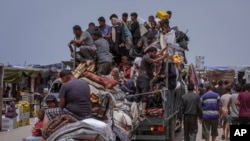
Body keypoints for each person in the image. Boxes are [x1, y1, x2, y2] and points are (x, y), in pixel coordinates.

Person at [42, 70, 92, 138]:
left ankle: (44, 136)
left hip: (73, 113)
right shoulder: (85, 84)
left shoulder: (65, 85)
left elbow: (61, 105)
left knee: (48, 112)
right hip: (88, 114)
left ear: (65, 77)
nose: (62, 81)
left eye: (62, 79)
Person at [136, 47, 168, 116]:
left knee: (143, 94)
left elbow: (158, 53)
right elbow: (155, 61)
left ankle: (141, 110)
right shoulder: (146, 57)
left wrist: (166, 48)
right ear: (150, 52)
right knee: (144, 93)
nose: (155, 54)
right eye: (154, 53)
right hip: (143, 78)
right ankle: (143, 111)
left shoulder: (150, 57)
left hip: (144, 78)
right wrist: (164, 56)